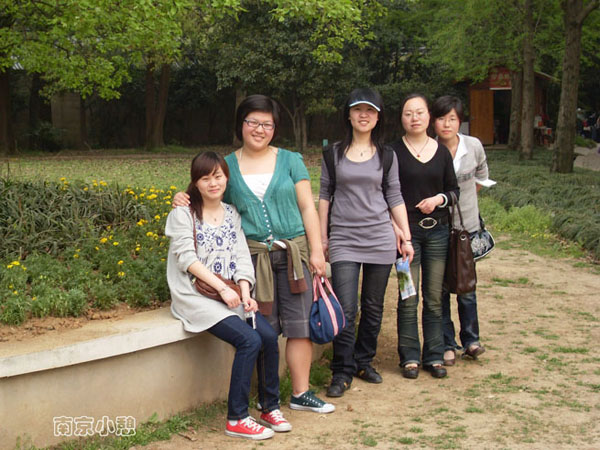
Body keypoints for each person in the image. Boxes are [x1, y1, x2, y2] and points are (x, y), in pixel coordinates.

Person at [172, 95, 334, 414]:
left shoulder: (291, 160)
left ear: (275, 128)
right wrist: (181, 196)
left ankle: (300, 392)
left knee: (299, 323)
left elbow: (307, 207)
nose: (260, 129)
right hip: (254, 257)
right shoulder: (227, 166)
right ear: (241, 125)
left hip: (294, 254)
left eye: (267, 124)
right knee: (264, 326)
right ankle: (265, 396)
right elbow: (207, 192)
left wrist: (316, 250)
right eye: (253, 122)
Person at [165, 152, 290, 440]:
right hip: (195, 296)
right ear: (195, 183)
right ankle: (237, 418)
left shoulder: (232, 213)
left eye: (218, 176)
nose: (213, 183)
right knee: (249, 340)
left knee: (267, 336)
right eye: (205, 178)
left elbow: (241, 256)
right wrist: (221, 288)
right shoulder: (183, 214)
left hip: (229, 295)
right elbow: (187, 259)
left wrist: (245, 292)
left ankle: (269, 407)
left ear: (226, 178)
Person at [318, 88, 413, 397]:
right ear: (348, 114)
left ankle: (363, 360)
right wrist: (322, 238)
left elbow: (394, 195)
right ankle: (342, 370)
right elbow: (324, 195)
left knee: (373, 306)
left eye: (370, 110)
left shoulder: (387, 155)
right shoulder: (332, 153)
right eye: (358, 109)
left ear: (378, 117)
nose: (364, 115)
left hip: (380, 238)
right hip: (344, 238)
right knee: (346, 307)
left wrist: (406, 236)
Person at [389, 93, 459, 379]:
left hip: (438, 233)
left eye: (419, 112)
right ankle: (409, 356)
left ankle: (434, 354)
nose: (414, 118)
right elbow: (384, 194)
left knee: (434, 296)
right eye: (408, 113)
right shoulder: (392, 152)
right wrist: (396, 229)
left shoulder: (441, 152)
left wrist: (438, 199)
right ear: (401, 118)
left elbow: (454, 191)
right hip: (406, 237)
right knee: (408, 295)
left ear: (428, 116)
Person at [431, 95, 495, 366]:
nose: (447, 124)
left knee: (467, 285)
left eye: (453, 118)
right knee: (440, 288)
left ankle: (471, 340)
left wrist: (465, 205)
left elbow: (481, 177)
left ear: (460, 121)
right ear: (433, 121)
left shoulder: (473, 146)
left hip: (466, 228)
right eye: (441, 118)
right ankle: (447, 344)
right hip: (438, 229)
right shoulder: (429, 149)